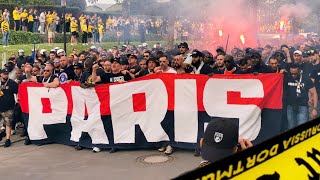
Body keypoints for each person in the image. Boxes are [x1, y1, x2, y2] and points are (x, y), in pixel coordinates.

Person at [284, 64, 318, 130]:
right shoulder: (287, 77)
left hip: (302, 106)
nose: (293, 75)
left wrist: (315, 108)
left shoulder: (305, 78)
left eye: (295, 74)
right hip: (290, 106)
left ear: (299, 71)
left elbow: (314, 93)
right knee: (291, 127)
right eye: (291, 73)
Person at [0, 69, 19, 147]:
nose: (6, 75)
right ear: (0, 74)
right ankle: (1, 132)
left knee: (8, 123)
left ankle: (8, 139)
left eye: (7, 74)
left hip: (8, 107)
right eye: (4, 74)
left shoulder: (12, 83)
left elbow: (17, 92)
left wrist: (17, 100)